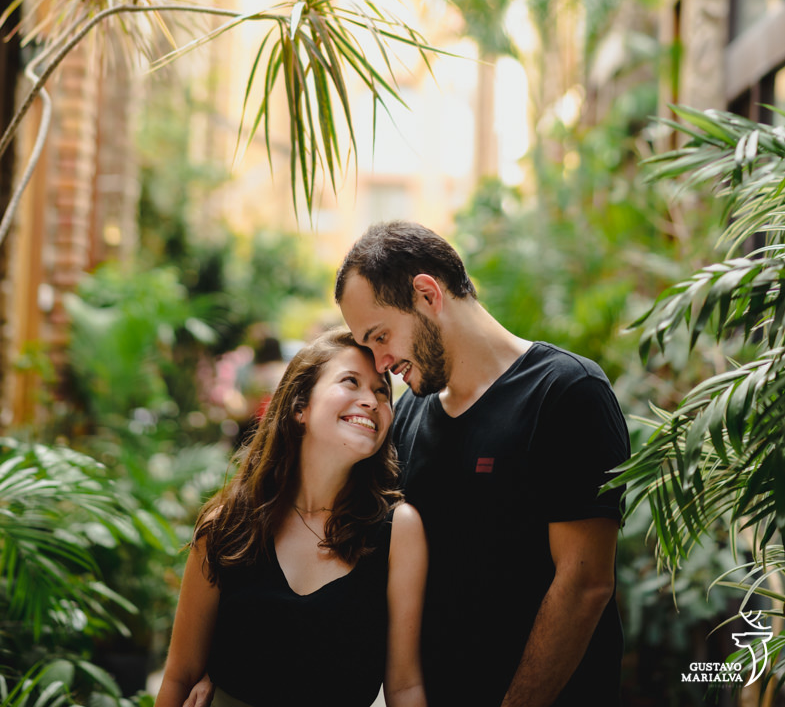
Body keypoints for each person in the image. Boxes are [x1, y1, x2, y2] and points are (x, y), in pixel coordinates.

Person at [336, 220, 630, 707]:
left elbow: (585, 583)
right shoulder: (405, 414)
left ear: (428, 295)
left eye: (381, 335)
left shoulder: (566, 392)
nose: (380, 361)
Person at [155, 327, 428, 707]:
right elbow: (180, 675)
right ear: (301, 407)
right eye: (351, 382)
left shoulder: (399, 530)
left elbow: (405, 688)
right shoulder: (227, 525)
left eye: (382, 391)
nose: (371, 400)